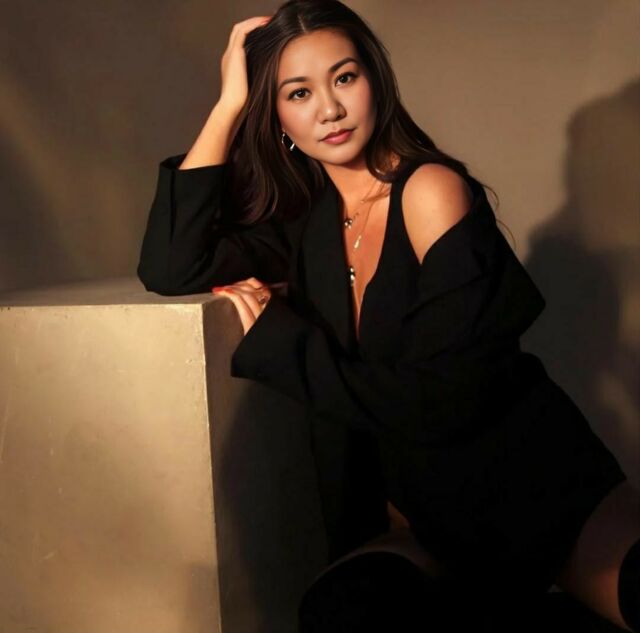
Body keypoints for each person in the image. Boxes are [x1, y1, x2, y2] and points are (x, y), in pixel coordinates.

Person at [137, 1, 640, 630]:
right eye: (299, 93)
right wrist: (228, 107)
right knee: (343, 612)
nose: (329, 109)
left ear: (375, 81)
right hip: (420, 519)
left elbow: (441, 404)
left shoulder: (430, 191)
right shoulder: (306, 222)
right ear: (279, 118)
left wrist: (283, 343)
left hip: (525, 487)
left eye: (344, 78)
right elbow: (171, 264)